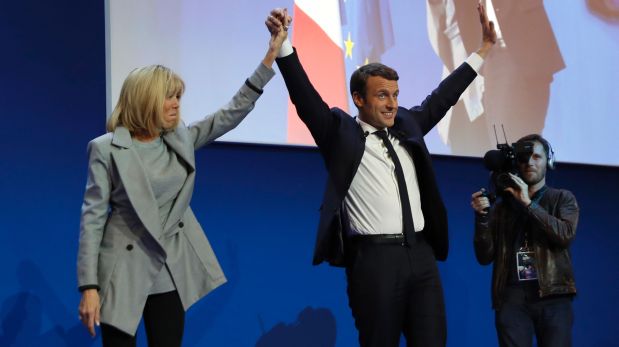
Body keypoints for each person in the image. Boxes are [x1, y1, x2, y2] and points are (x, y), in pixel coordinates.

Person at [266, 4, 496, 347]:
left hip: (421, 256)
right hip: (374, 262)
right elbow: (304, 96)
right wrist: (283, 45)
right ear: (358, 99)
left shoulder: (407, 126)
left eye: (395, 95)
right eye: (382, 95)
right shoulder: (339, 133)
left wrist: (483, 50)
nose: (391, 104)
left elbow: (443, 98)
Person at [76, 25, 287, 346]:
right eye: (169, 97)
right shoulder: (105, 148)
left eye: (178, 97)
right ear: (146, 100)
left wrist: (270, 56)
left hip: (167, 269)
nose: (176, 104)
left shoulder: (180, 138)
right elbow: (91, 221)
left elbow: (229, 114)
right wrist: (88, 287)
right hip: (122, 269)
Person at [470, 134, 579, 347]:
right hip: (512, 298)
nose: (529, 162)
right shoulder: (502, 208)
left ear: (548, 162)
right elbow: (484, 257)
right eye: (524, 158)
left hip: (553, 295)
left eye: (537, 157)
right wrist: (482, 217)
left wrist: (529, 205)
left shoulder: (562, 198)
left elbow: (565, 234)